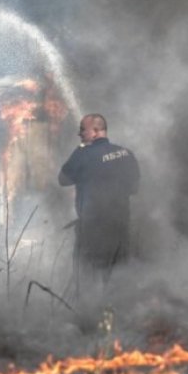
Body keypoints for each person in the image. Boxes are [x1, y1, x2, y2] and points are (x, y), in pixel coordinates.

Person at [58, 114, 140, 284]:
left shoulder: (83, 154)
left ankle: (91, 310)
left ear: (95, 131)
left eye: (82, 129)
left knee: (88, 279)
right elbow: (134, 188)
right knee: (119, 277)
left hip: (92, 231)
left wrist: (81, 151)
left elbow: (63, 179)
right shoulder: (126, 153)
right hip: (120, 227)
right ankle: (117, 309)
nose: (79, 134)